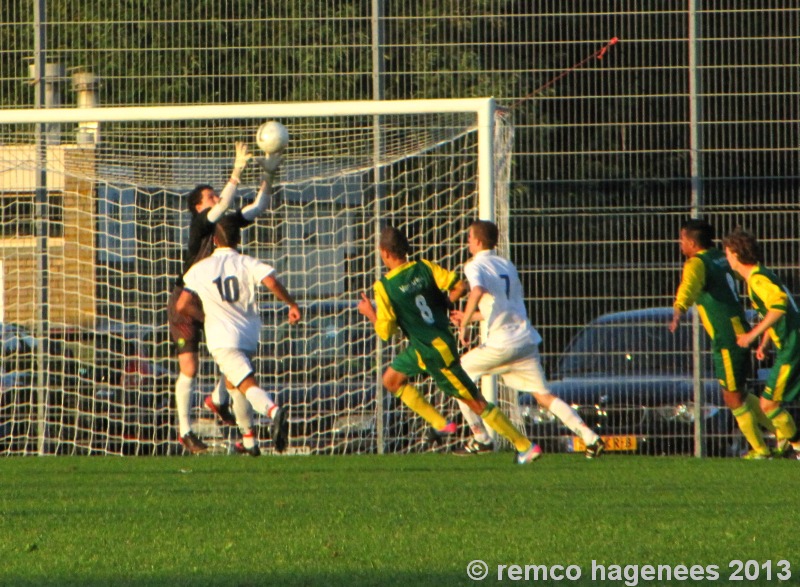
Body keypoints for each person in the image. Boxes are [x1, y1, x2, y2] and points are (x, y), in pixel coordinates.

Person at [357, 224, 541, 465]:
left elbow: (386, 331)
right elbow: (459, 286)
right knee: (391, 379)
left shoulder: (384, 287)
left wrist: (370, 312)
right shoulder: (425, 267)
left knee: (474, 400)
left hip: (434, 352)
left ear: (384, 253)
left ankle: (524, 445)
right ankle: (441, 424)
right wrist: (444, 304)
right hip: (425, 345)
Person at [450, 220, 604, 458]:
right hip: (524, 341)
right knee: (544, 396)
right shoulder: (506, 265)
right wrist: (470, 318)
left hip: (502, 343)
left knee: (455, 377)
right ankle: (589, 437)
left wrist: (465, 328)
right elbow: (502, 307)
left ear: (478, 241)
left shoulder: (475, 265)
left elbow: (478, 291)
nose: (468, 241)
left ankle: (480, 437)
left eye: (469, 237)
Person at [167, 141, 282, 453]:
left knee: (232, 354)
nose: (217, 199)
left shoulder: (224, 223)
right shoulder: (200, 224)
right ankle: (185, 431)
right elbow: (219, 208)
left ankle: (220, 404)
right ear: (199, 207)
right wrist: (236, 170)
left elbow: (258, 207)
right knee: (190, 367)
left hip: (212, 301)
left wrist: (268, 176)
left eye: (217, 195)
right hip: (187, 301)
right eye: (211, 196)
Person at [176, 216, 301, 455]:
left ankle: (273, 411)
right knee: (234, 384)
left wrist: (204, 316)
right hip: (248, 336)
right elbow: (271, 281)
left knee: (246, 384)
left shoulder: (200, 268)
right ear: (238, 240)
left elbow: (182, 305)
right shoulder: (246, 262)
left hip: (222, 340)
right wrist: (291, 304)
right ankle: (249, 442)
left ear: (214, 240)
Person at [669, 219, 775, 458]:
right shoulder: (719, 256)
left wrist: (679, 309)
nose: (680, 244)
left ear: (692, 242)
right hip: (737, 327)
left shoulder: (696, 263)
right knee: (740, 393)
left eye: (682, 239)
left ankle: (761, 450)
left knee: (732, 396)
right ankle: (784, 434)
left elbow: (688, 286)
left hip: (728, 337)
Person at [723, 227, 800, 459]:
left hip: (792, 346)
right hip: (788, 344)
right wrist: (765, 342)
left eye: (727, 253)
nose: (727, 258)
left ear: (735, 254)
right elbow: (774, 312)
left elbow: (779, 305)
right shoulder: (762, 274)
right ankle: (787, 445)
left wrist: (751, 335)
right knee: (772, 403)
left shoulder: (757, 280)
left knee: (769, 405)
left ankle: (795, 446)